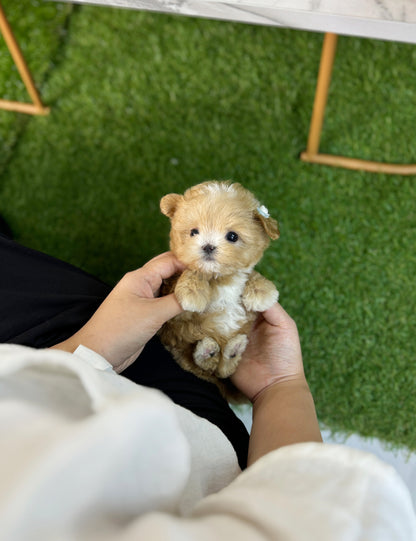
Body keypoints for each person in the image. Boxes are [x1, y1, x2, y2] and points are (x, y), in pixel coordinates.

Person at [0, 232, 415, 540]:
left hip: (55, 372)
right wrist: (279, 386)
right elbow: (299, 507)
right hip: (199, 435)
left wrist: (88, 350)